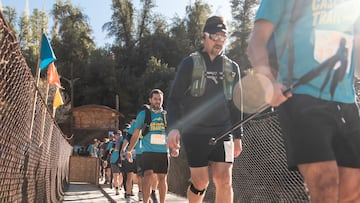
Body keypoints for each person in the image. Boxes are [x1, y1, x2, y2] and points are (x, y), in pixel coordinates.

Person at [247, 1, 360, 202]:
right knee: (324, 185)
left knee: (353, 191)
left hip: (347, 102)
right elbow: (256, 42)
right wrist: (269, 84)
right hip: (302, 99)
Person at [166, 16, 243, 203]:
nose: (219, 41)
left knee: (224, 179)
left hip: (224, 131)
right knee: (200, 182)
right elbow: (174, 99)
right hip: (195, 132)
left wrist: (238, 135)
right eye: (215, 36)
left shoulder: (232, 68)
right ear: (204, 36)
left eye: (223, 36)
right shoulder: (189, 64)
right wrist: (174, 128)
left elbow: (236, 103)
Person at [127, 89, 168, 203]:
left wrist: (175, 147)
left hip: (163, 151)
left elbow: (171, 132)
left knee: (162, 178)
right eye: (155, 99)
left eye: (160, 99)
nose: (157, 101)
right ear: (150, 100)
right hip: (148, 150)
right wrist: (129, 150)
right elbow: (136, 133)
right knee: (147, 175)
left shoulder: (166, 115)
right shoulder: (144, 114)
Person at [109, 130, 124, 195]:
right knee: (120, 175)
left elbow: (109, 152)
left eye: (115, 136)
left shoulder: (115, 142)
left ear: (117, 135)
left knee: (116, 175)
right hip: (120, 159)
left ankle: (117, 188)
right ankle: (118, 186)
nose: (114, 137)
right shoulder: (123, 140)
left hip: (114, 160)